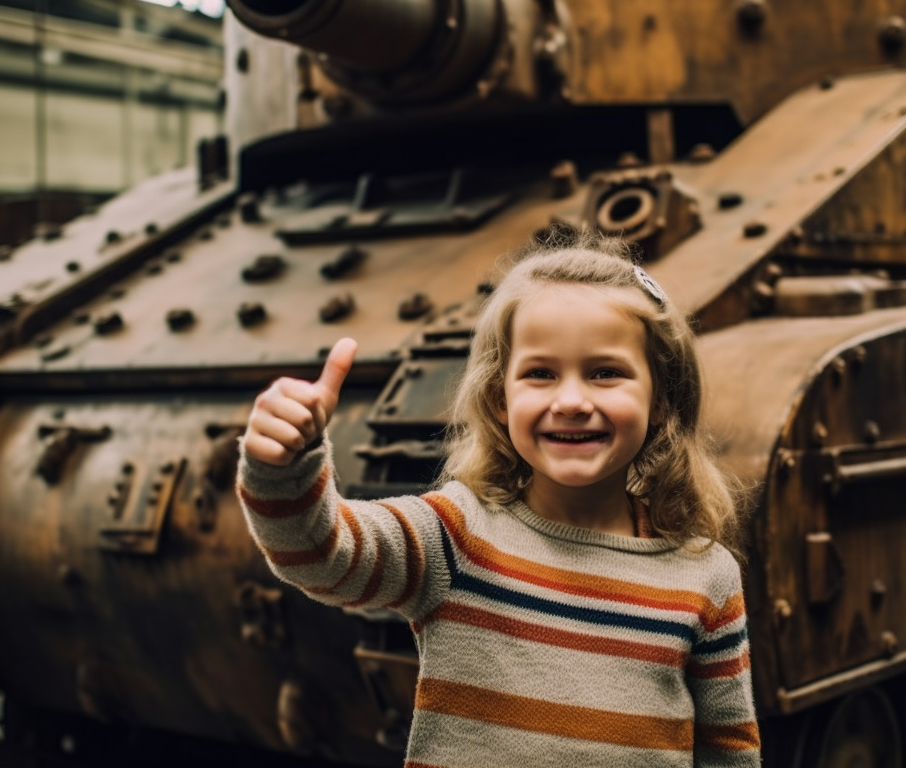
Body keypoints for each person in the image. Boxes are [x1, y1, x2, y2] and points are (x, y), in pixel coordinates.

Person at [237, 235, 760, 767]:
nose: (572, 401)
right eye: (540, 374)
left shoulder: (704, 576)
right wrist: (284, 469)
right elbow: (325, 559)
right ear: (498, 399)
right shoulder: (456, 536)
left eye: (606, 373)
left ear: (661, 401)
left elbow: (728, 752)